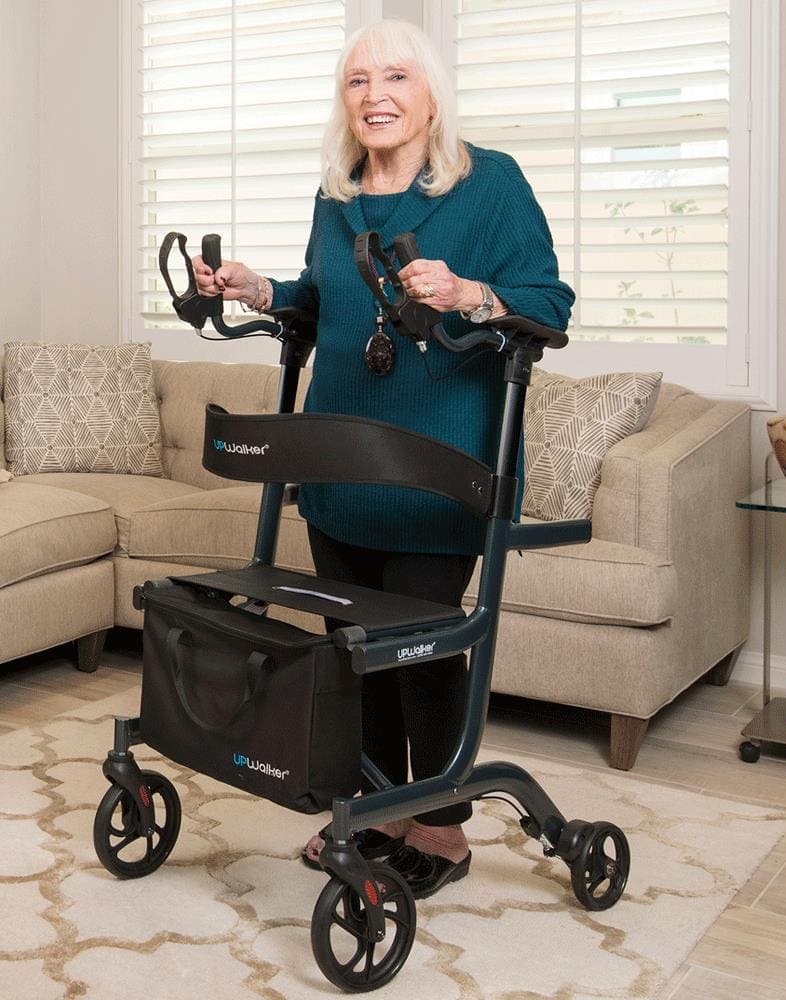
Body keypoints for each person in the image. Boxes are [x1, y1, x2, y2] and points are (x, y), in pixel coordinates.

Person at [193, 18, 573, 899]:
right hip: (338, 469)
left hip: (435, 471)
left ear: (430, 92)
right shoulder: (337, 194)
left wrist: (470, 293)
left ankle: (438, 833)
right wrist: (259, 290)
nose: (376, 96)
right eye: (358, 81)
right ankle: (374, 806)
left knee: (425, 647)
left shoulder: (491, 186)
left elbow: (548, 302)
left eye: (396, 77)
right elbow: (322, 301)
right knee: (352, 645)